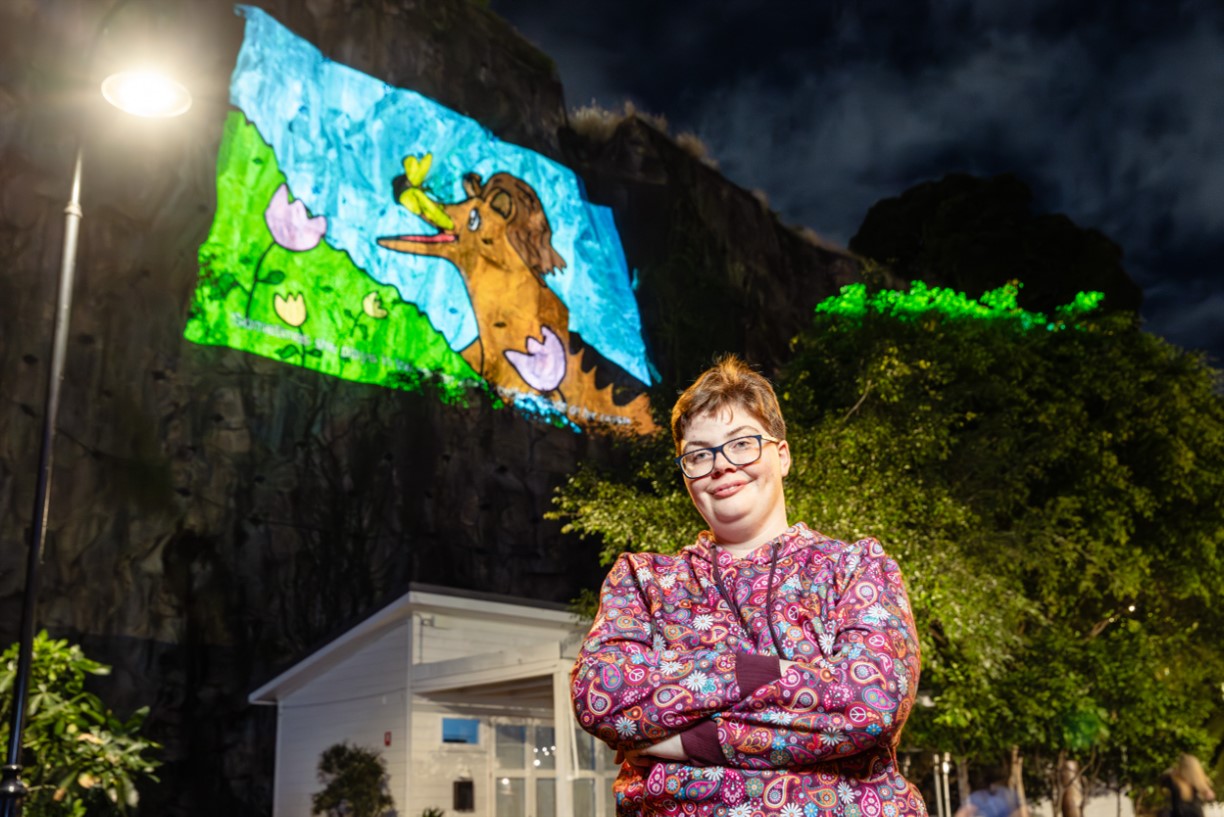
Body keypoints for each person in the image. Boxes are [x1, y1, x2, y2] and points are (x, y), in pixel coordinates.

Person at [571, 355, 928, 816]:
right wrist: (757, 674)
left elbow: (870, 705)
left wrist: (687, 741)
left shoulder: (856, 568)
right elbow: (600, 695)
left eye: (742, 444)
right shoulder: (642, 580)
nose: (721, 465)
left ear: (783, 456)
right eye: (699, 455)